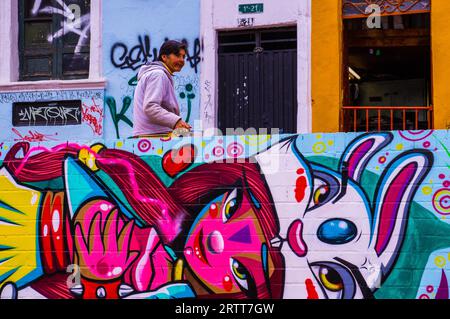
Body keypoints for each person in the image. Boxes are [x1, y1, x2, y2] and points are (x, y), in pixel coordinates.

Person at [132, 40, 191, 138]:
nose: (182, 60)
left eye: (183, 57)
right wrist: (176, 121)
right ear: (164, 57)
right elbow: (150, 107)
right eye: (177, 55)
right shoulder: (158, 74)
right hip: (153, 137)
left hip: (151, 136)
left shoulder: (158, 74)